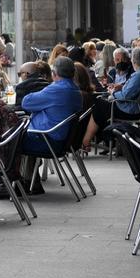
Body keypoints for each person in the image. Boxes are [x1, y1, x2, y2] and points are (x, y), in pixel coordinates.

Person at [20, 56, 85, 194]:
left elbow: (26, 102)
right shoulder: (75, 90)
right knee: (20, 136)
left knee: (11, 140)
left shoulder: (56, 90)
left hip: (49, 140)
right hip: (61, 138)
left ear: (54, 74)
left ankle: (17, 184)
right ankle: (31, 182)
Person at [81, 46, 140, 149]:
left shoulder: (139, 76)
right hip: (134, 107)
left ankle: (88, 141)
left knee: (97, 105)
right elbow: (130, 91)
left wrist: (113, 93)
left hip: (129, 110)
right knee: (99, 106)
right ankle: (95, 139)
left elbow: (125, 95)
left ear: (134, 61)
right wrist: (122, 87)